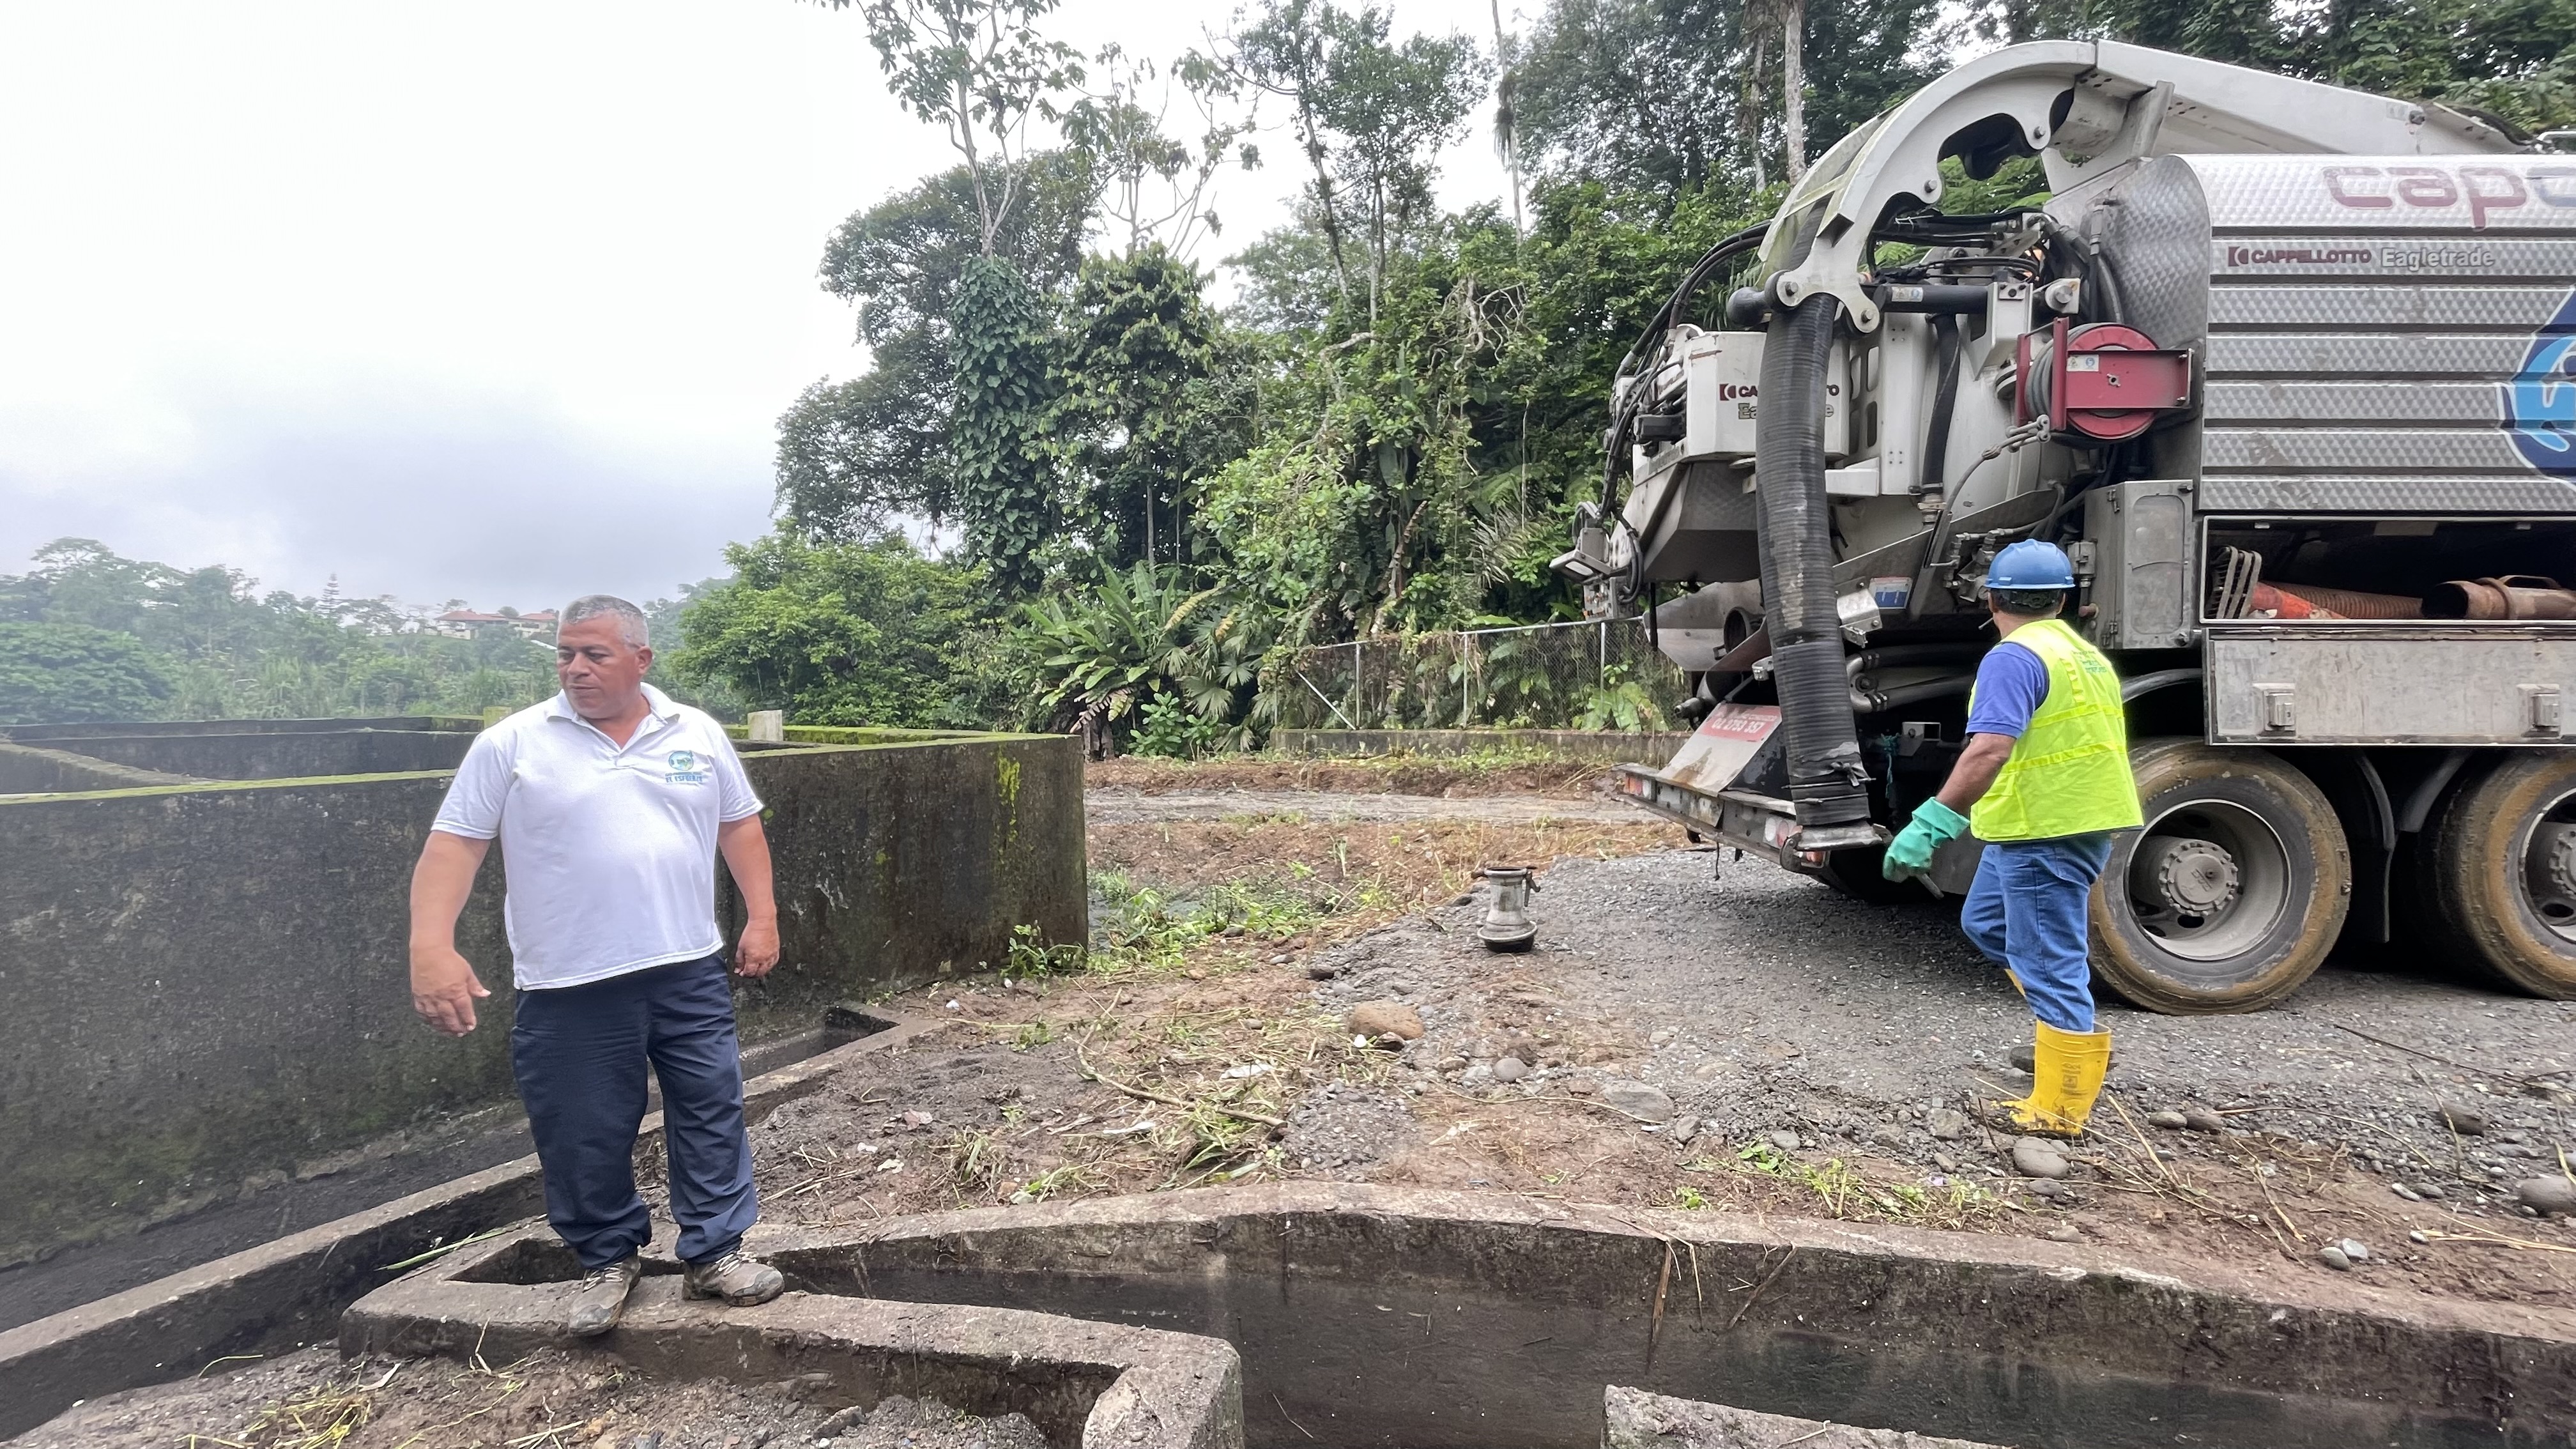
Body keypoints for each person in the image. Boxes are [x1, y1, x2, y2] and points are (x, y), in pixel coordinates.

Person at [408, 594, 786, 1336]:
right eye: (565, 654)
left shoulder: (695, 732)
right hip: (569, 981)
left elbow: (739, 826)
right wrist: (430, 945)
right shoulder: (514, 744)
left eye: (594, 654)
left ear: (641, 659)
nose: (575, 668)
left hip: (687, 967)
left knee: (711, 1110)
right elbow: (455, 845)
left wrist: (763, 916)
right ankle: (607, 1260)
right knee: (581, 1129)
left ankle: (715, 1254)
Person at [1881, 539, 2143, 1138]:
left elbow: (1991, 749)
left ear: (1992, 600)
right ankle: (2067, 1034)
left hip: (2046, 828)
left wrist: (1932, 822)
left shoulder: (2013, 657)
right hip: (2055, 823)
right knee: (1987, 924)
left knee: (2049, 961)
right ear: (2061, 600)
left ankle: (2061, 1110)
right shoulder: (2083, 655)